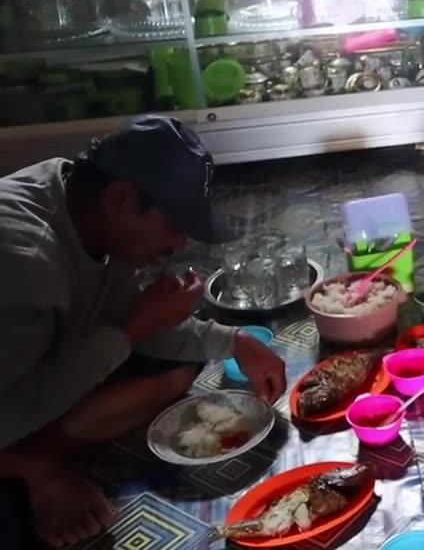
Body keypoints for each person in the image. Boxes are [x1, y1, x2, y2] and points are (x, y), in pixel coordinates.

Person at [0, 115, 287, 549]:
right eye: (174, 225)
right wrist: (38, 473)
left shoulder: (82, 200)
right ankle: (29, 462)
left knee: (181, 361)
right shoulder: (26, 259)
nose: (177, 245)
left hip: (33, 359)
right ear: (120, 197)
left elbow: (114, 314)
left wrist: (233, 340)